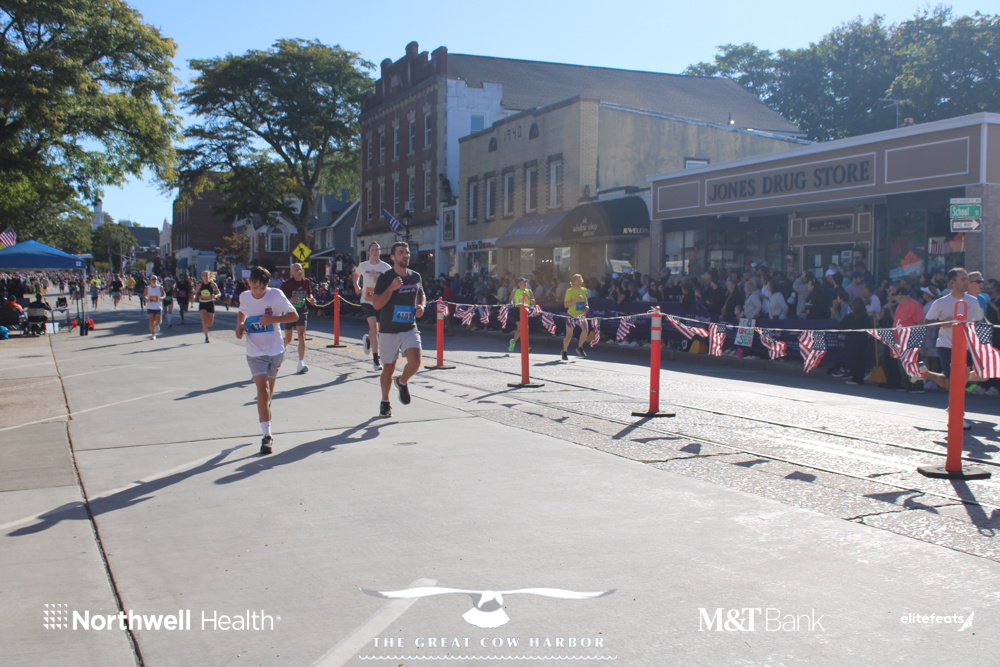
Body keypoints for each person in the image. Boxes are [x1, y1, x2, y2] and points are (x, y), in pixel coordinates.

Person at [235, 266, 299, 455]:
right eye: (255, 287)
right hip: (255, 352)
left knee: (268, 393)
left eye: (262, 288)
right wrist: (240, 325)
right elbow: (242, 312)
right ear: (249, 283)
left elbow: (293, 315)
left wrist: (272, 319)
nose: (258, 291)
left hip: (275, 349)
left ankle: (266, 406)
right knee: (262, 390)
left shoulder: (276, 295)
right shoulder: (245, 296)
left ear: (267, 285)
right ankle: (267, 435)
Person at [921, 268, 984, 429]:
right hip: (946, 344)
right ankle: (957, 415)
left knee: (959, 381)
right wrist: (944, 323)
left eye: (967, 279)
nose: (967, 282)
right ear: (952, 282)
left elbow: (977, 321)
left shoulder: (973, 301)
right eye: (963, 279)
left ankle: (926, 374)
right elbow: (927, 322)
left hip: (966, 345)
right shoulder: (941, 302)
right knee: (956, 381)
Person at [372, 242, 426, 418]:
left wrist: (421, 306)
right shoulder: (385, 278)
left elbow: (421, 294)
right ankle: (385, 401)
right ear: (393, 257)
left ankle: (402, 382)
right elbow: (377, 304)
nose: (406, 256)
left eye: (407, 253)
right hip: (389, 329)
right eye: (401, 252)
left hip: (409, 327)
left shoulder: (415, 276)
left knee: (416, 362)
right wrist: (392, 288)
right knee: (389, 368)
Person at [354, 242, 392, 372]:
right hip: (367, 300)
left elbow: (391, 282)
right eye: (372, 250)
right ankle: (376, 359)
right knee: (374, 328)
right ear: (369, 252)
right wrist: (356, 285)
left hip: (380, 301)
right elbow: (356, 274)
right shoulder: (363, 265)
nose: (375, 252)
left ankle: (368, 340)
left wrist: (381, 282)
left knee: (378, 330)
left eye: (377, 250)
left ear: (380, 252)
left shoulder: (385, 267)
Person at [280, 263, 316, 374]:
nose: (299, 271)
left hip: (301, 310)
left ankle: (301, 363)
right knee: (288, 338)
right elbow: (281, 297)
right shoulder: (287, 283)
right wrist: (291, 299)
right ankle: (281, 350)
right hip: (289, 312)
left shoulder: (306, 281)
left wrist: (311, 299)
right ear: (292, 272)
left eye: (300, 269)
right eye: (296, 269)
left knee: (302, 336)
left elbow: (309, 293)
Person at [840, 298, 870, 386]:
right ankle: (859, 378)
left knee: (853, 360)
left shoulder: (850, 317)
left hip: (852, 341)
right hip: (862, 341)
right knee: (861, 360)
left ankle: (855, 378)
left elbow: (842, 326)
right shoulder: (865, 316)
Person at [561, 273, 589, 360]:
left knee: (585, 331)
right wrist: (576, 300)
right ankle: (564, 351)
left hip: (581, 315)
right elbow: (566, 305)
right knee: (569, 336)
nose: (580, 281)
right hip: (571, 315)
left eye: (580, 280)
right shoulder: (570, 291)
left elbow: (585, 300)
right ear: (573, 282)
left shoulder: (584, 290)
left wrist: (587, 306)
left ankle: (579, 347)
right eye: (578, 280)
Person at [508, 277, 535, 353]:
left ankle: (513, 341)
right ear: (519, 284)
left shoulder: (529, 291)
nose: (525, 284)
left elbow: (534, 303)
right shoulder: (515, 291)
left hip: (526, 310)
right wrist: (512, 304)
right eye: (523, 282)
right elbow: (510, 298)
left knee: (523, 329)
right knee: (521, 328)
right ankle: (526, 346)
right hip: (517, 310)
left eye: (526, 282)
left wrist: (528, 297)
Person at [193, 270, 221, 343]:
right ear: (202, 277)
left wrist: (215, 296)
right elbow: (194, 293)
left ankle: (205, 325)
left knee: (210, 324)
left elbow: (219, 293)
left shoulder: (212, 284)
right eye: (204, 275)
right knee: (204, 320)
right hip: (202, 304)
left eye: (207, 275)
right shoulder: (200, 285)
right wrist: (195, 295)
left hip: (210, 303)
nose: (206, 277)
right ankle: (206, 336)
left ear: (209, 276)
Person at [143, 274, 164, 340]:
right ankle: (153, 334)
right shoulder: (147, 288)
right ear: (150, 280)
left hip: (158, 306)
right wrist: (146, 298)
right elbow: (144, 296)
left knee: (158, 321)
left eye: (155, 279)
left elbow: (164, 295)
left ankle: (157, 325)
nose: (154, 281)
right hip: (150, 307)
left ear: (157, 280)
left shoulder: (160, 287)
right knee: (151, 320)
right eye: (152, 279)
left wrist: (162, 297)